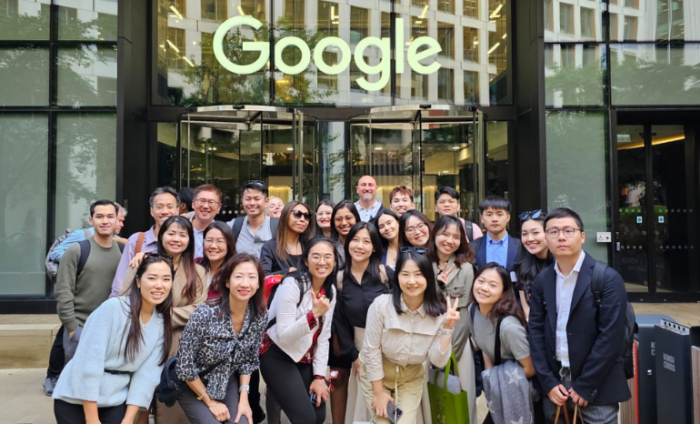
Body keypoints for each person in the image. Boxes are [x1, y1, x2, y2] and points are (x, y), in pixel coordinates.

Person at [529, 208, 630, 424]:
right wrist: (547, 381)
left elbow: (611, 338)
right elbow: (536, 331)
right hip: (556, 382)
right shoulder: (542, 280)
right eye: (553, 232)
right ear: (546, 237)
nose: (561, 237)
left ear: (582, 236)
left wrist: (586, 384)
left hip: (597, 383)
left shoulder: (607, 278)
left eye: (568, 230)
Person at [52, 254, 174, 424]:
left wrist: (129, 419)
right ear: (138, 282)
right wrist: (92, 419)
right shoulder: (113, 309)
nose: (159, 285)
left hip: (114, 398)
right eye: (152, 278)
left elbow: (147, 376)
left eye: (166, 279)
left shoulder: (161, 323)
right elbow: (89, 363)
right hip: (76, 397)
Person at [119, 216, 207, 424]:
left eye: (182, 235)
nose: (176, 239)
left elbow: (199, 308)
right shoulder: (143, 262)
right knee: (138, 402)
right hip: (142, 340)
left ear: (190, 240)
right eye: (171, 233)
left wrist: (159, 315)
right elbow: (124, 297)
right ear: (161, 236)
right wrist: (136, 268)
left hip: (178, 344)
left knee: (173, 409)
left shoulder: (198, 271)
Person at [360, 247, 459, 424]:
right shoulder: (381, 306)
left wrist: (446, 329)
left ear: (428, 278)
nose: (411, 281)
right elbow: (371, 349)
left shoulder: (439, 315)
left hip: (410, 378)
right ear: (397, 277)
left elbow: (438, 361)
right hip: (377, 374)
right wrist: (378, 393)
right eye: (405, 274)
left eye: (418, 274)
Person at [176, 254, 268, 424]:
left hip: (226, 381)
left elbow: (249, 360)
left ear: (258, 284)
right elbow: (184, 367)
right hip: (193, 383)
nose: (245, 283)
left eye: (252, 277)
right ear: (227, 282)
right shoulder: (205, 313)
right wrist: (210, 403)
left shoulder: (259, 315)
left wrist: (244, 399)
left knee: (243, 420)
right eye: (238, 276)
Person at [45, 200, 124, 396]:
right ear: (91, 220)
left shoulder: (123, 252)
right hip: (81, 326)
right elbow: (64, 291)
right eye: (99, 216)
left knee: (104, 389)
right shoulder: (77, 250)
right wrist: (71, 327)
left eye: (110, 216)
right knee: (75, 387)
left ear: (117, 220)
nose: (105, 221)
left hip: (112, 329)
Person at [259, 237, 337, 424]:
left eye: (328, 257)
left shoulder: (330, 290)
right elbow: (284, 336)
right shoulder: (293, 285)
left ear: (334, 261)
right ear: (305, 260)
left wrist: (319, 377)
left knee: (318, 416)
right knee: (305, 419)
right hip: (276, 354)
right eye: (315, 256)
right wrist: (312, 315)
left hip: (304, 356)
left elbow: (323, 337)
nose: (322, 262)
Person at [330, 222, 390, 424]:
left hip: (388, 345)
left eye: (366, 241)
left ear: (374, 247)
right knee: (364, 402)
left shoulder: (385, 275)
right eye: (355, 240)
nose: (359, 245)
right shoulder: (339, 278)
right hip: (359, 346)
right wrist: (353, 355)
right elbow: (339, 320)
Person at [466, 263, 535, 423]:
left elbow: (530, 369)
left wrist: (496, 379)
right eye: (481, 281)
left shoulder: (508, 326)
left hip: (520, 392)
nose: (484, 288)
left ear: (503, 293)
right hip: (497, 388)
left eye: (492, 285)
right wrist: (490, 379)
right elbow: (484, 347)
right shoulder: (473, 310)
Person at [428, 215, 477, 424]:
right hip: (427, 339)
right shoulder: (423, 264)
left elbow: (462, 312)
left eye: (455, 237)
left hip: (459, 340)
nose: (450, 240)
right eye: (444, 234)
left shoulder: (465, 268)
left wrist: (449, 352)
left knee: (462, 390)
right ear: (435, 235)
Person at [111, 187, 180, 298]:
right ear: (152, 211)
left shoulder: (185, 243)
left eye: (170, 207)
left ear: (177, 211)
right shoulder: (137, 241)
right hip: (138, 311)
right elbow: (120, 283)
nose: (165, 211)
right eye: (159, 207)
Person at [49, 202, 128, 262]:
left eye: (110, 217)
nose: (122, 225)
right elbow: (55, 254)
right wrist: (81, 260)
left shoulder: (118, 241)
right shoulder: (82, 234)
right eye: (120, 220)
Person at [513, 210, 552, 318]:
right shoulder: (521, 266)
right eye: (524, 234)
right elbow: (527, 311)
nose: (529, 239)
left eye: (535, 233)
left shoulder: (561, 264)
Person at [260, 201, 314, 277]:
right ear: (286, 216)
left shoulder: (310, 246)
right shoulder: (269, 247)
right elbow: (263, 276)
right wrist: (286, 272)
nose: (303, 219)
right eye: (297, 214)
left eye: (306, 216)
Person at [228, 181, 279, 258]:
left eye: (257, 199)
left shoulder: (278, 227)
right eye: (248, 199)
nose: (252, 203)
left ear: (266, 201)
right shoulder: (233, 226)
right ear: (242, 201)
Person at [470, 195, 520, 272]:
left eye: (499, 214)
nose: (494, 219)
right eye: (489, 214)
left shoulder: (520, 247)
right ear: (482, 219)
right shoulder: (472, 247)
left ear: (508, 217)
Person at [199, 221, 237, 299]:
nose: (213, 246)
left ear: (229, 244)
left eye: (219, 241)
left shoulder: (235, 270)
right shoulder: (195, 265)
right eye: (209, 240)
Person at [190, 184, 223, 260]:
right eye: (202, 201)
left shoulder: (223, 234)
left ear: (219, 207)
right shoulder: (181, 229)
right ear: (193, 204)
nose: (205, 206)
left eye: (211, 202)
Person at [330, 200, 361, 267]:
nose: (344, 223)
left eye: (348, 218)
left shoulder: (365, 244)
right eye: (339, 219)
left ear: (356, 219)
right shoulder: (329, 247)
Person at [373, 208, 400, 275]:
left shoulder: (411, 246)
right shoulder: (377, 253)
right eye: (381, 226)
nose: (387, 228)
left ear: (398, 222)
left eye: (389, 223)